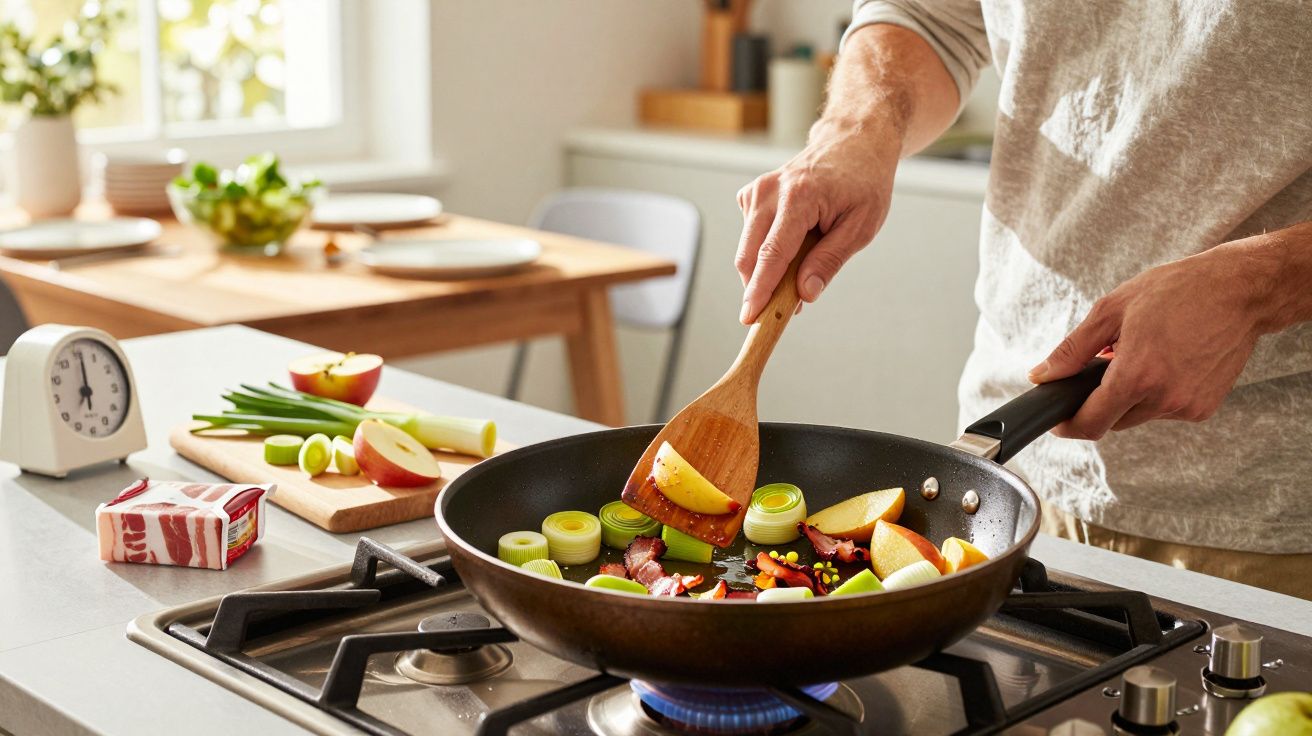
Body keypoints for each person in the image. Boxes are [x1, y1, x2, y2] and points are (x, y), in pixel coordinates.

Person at [735, 1, 1312, 599]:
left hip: (1268, 517)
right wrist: (856, 129)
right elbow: (927, 16)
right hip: (1010, 489)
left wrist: (1255, 285)